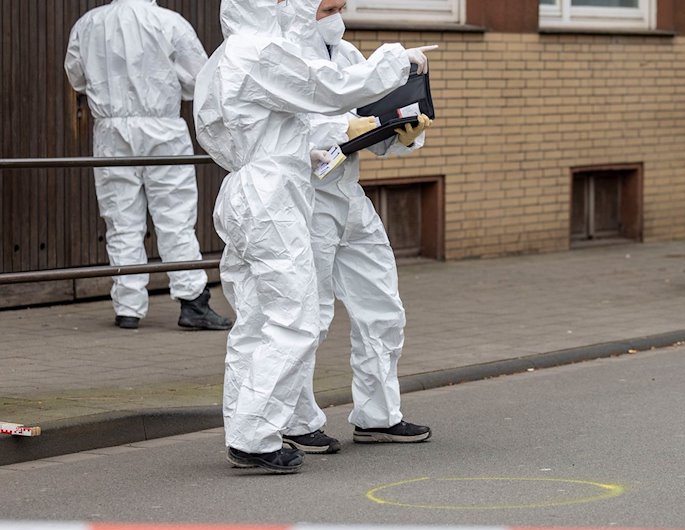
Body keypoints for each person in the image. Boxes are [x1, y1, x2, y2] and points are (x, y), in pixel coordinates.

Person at [194, 0, 432, 474]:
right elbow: (328, 93)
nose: (335, 12)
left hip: (267, 189)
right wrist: (394, 60)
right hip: (277, 195)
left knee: (264, 320)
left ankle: (251, 428)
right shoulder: (257, 51)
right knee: (296, 317)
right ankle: (259, 434)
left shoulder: (236, 54)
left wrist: (386, 130)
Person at [305, 1, 433, 445]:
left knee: (381, 306)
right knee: (306, 316)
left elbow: (368, 128)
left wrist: (403, 136)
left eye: (341, 6)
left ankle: (378, 415)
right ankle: (297, 423)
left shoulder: (346, 55)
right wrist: (345, 131)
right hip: (301, 200)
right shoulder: (280, 55)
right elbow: (281, 134)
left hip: (346, 194)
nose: (337, 15)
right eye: (328, 7)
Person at [64, 0, 232, 331]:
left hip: (111, 129)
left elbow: (76, 76)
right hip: (162, 126)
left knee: (121, 219)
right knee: (175, 217)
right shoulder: (169, 22)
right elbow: (199, 78)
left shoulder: (89, 24)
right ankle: (192, 302)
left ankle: (128, 307)